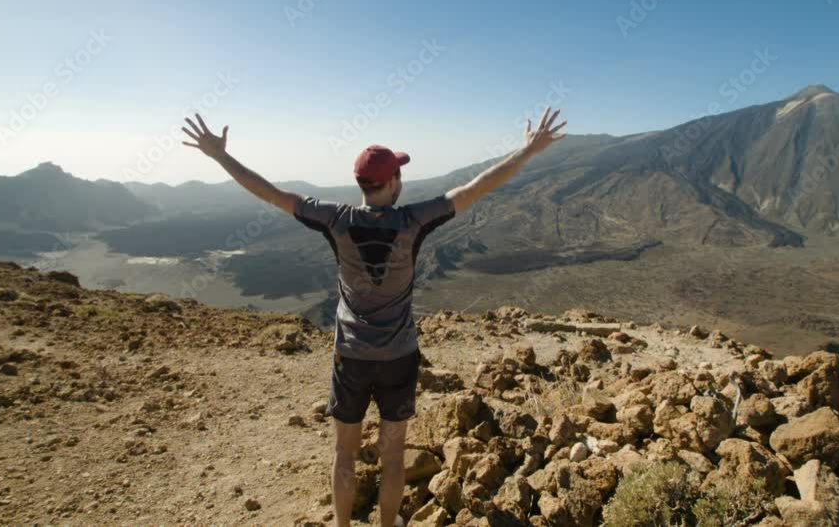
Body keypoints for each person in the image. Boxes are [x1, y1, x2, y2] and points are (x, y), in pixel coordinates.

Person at [181, 107, 567, 526]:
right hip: (398, 356)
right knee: (394, 454)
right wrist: (528, 151)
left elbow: (271, 193)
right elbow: (476, 187)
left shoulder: (334, 219)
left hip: (351, 356)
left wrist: (221, 156)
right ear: (394, 181)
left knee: (344, 453)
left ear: (361, 183)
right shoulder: (415, 220)